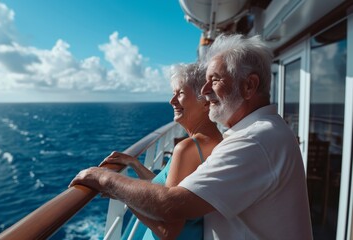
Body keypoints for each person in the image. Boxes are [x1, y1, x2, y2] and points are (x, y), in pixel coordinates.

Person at [70, 34, 313, 240]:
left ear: (249, 86)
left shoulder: (255, 140)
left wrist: (104, 178)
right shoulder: (261, 132)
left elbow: (170, 207)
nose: (205, 92)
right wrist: (132, 168)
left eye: (215, 80)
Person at [102, 63, 222, 239]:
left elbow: (168, 230)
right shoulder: (215, 140)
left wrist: (118, 190)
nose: (171, 101)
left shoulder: (188, 148)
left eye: (180, 93)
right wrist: (134, 163)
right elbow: (169, 192)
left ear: (205, 101)